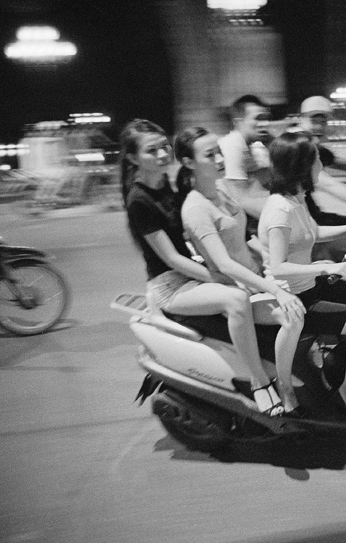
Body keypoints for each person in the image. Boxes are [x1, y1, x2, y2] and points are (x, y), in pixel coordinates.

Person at [119, 119, 284, 417]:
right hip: (171, 287)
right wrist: (221, 277)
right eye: (151, 150)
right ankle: (259, 382)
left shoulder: (171, 188)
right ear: (132, 158)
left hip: (193, 275)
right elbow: (171, 259)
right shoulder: (139, 200)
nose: (160, 154)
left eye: (163, 147)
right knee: (236, 299)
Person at [175, 126, 309, 418]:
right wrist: (273, 288)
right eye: (210, 155)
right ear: (188, 163)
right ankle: (274, 385)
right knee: (293, 317)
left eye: (220, 152)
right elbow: (223, 263)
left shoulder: (222, 190)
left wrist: (274, 259)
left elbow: (245, 238)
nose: (220, 159)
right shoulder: (196, 208)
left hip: (259, 277)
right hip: (242, 288)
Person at [258, 131, 346, 423]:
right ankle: (339, 390)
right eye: (316, 160)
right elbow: (278, 267)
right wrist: (325, 267)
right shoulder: (280, 210)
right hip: (293, 298)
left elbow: (315, 233)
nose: (321, 166)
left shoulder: (297, 200)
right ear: (302, 166)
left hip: (309, 288)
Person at [218, 94, 274, 224]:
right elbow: (242, 199)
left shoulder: (251, 147)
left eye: (266, 118)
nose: (264, 124)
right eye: (258, 119)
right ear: (238, 122)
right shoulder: (233, 144)